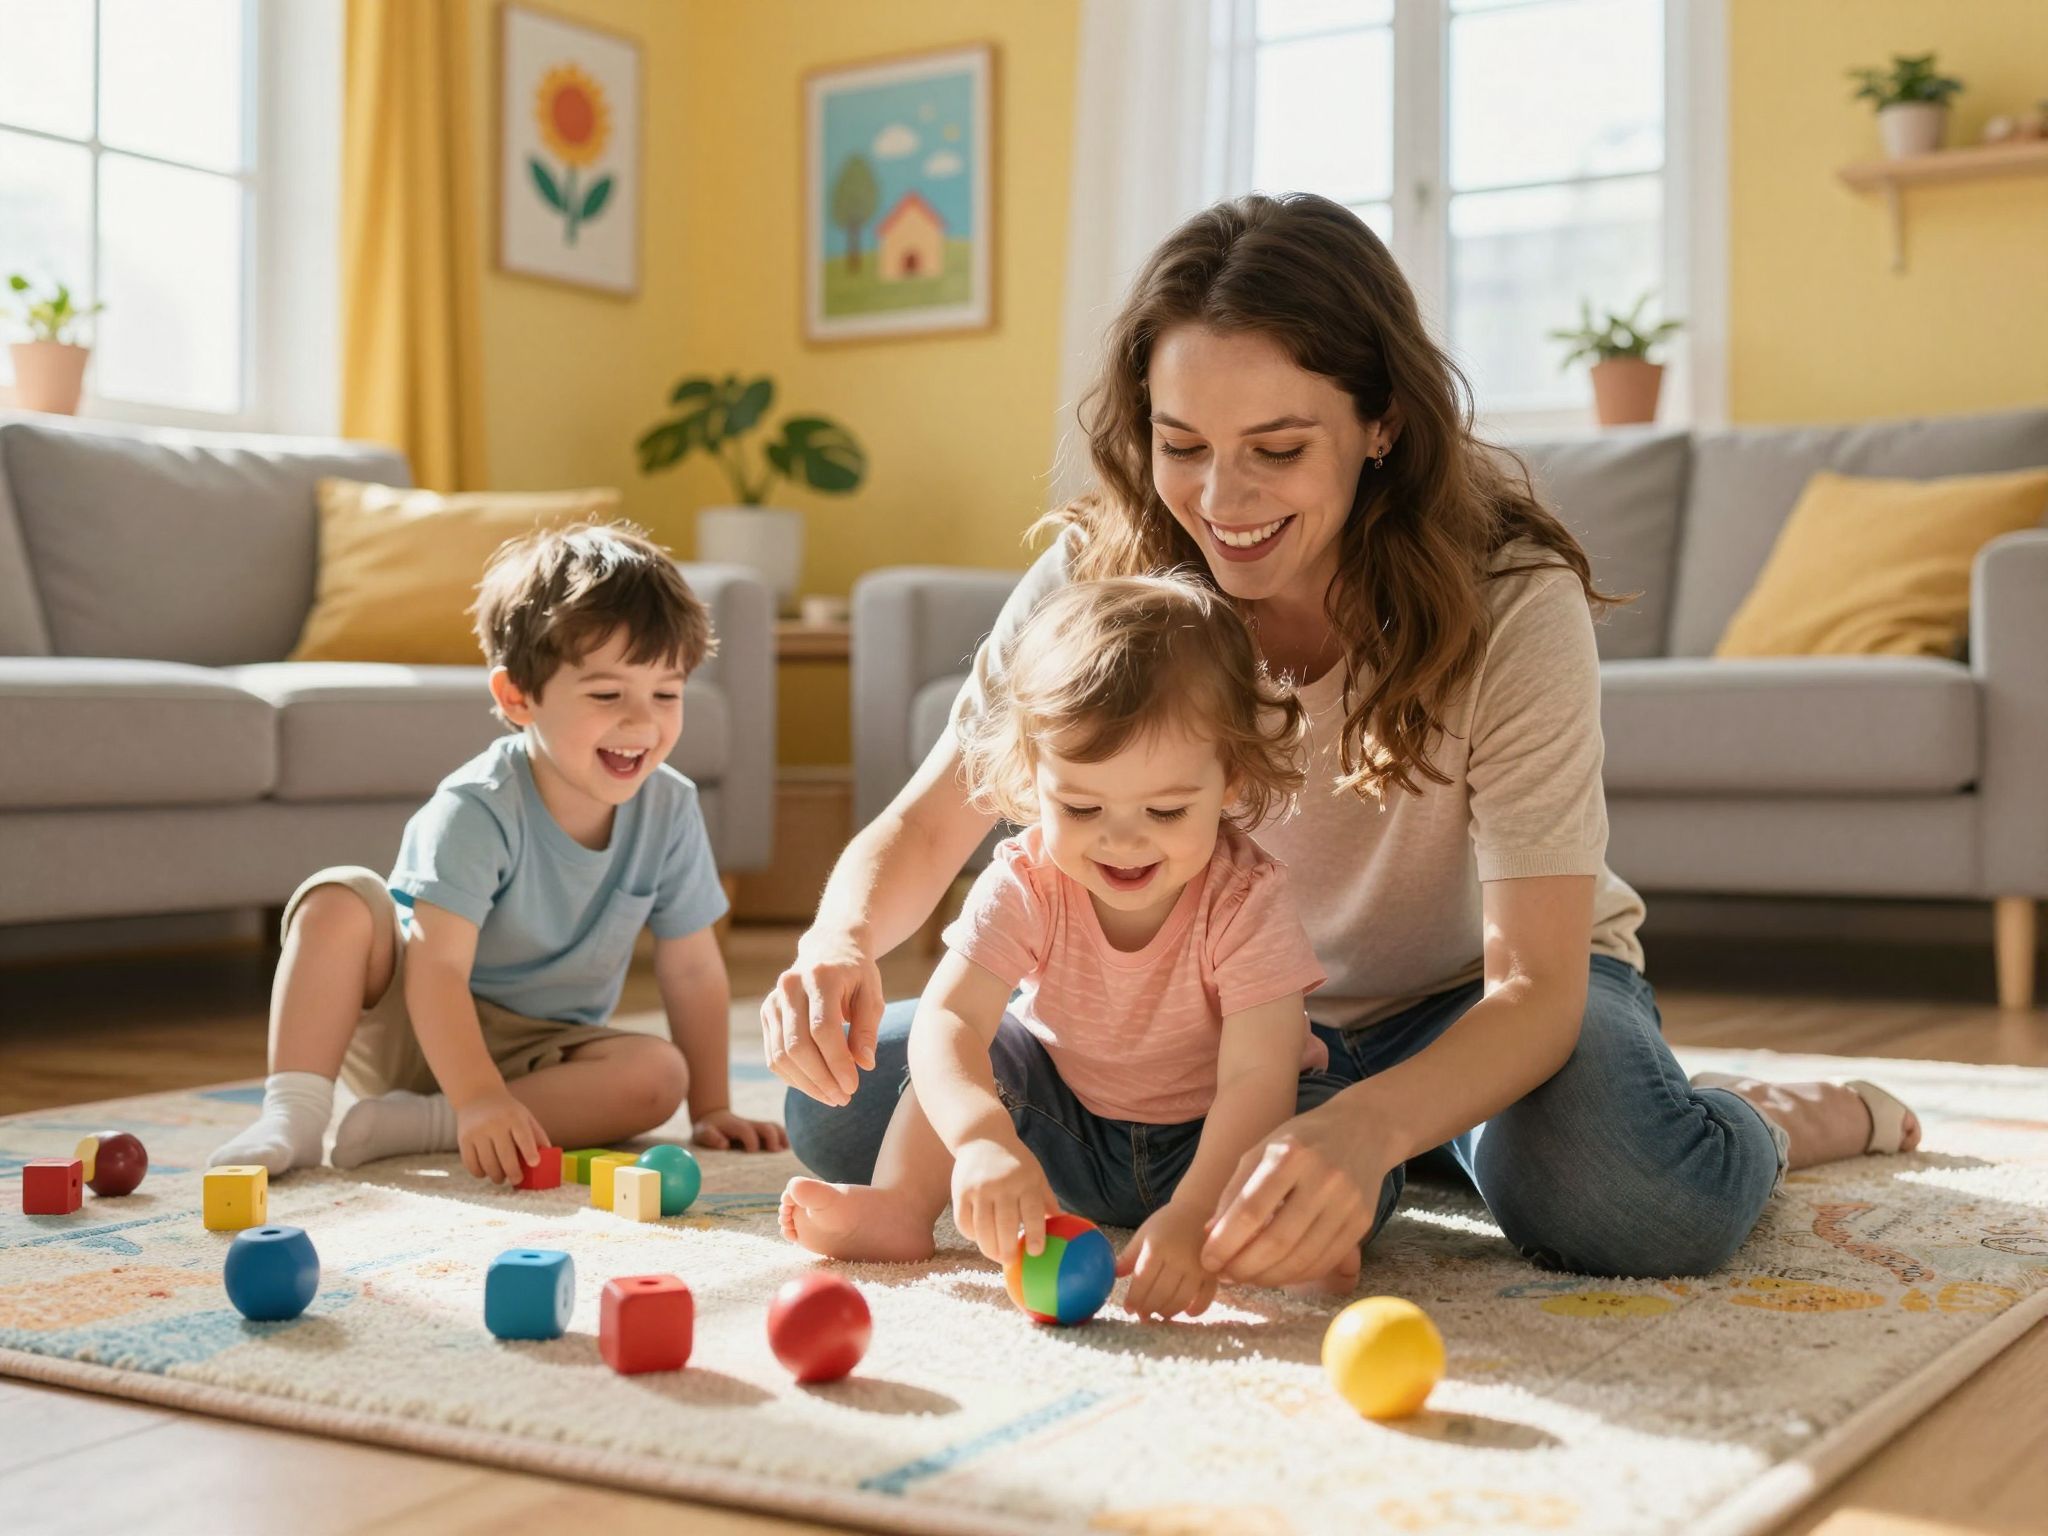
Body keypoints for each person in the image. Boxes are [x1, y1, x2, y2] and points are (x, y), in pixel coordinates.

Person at [764, 192, 1920, 1287]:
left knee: (1631, 1201)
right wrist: (836, 945)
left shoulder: (1509, 596)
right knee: (841, 1100)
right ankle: (1411, 1149)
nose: (1219, 498)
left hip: (1468, 998)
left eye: (1275, 449)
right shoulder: (1099, 580)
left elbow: (1532, 983)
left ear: (1382, 424)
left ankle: (1752, 1122)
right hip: (1210, 1018)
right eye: (1181, 444)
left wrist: (1365, 1119)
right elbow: (927, 823)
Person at [781, 575, 1337, 1319]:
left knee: (1318, 1127)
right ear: (1032, 776)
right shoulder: (1029, 879)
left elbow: (1254, 1081)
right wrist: (982, 1140)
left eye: (1167, 810)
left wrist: (1197, 1210)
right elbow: (950, 1022)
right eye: (1080, 806)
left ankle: (1284, 1243)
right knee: (993, 1051)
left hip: (1214, 1141)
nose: (1123, 838)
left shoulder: (1247, 900)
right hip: (1067, 1130)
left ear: (1230, 778)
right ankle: (898, 1207)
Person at [211, 523, 786, 1183]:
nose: (643, 723)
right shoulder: (476, 805)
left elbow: (692, 971)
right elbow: (436, 970)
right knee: (337, 899)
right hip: (414, 1025)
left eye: (666, 694)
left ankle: (416, 1127)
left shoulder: (671, 809)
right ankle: (296, 1113)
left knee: (658, 1077)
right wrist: (477, 1097)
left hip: (543, 1049)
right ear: (518, 698)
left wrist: (711, 1106)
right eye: (607, 695)